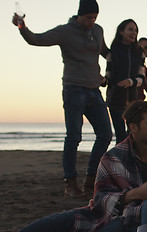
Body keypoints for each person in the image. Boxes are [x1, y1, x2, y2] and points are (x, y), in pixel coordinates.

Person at [1, 101, 147, 232]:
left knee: (121, 225)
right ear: (134, 127)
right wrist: (133, 194)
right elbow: (100, 199)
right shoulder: (114, 157)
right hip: (108, 213)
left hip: (135, 219)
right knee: (61, 220)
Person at [11, 0, 112, 198]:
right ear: (79, 15)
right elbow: (36, 39)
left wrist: (108, 74)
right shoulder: (65, 31)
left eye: (95, 17)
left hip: (94, 91)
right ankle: (70, 184)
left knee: (106, 135)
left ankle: (91, 180)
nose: (92, 21)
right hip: (74, 90)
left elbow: (106, 52)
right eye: (88, 17)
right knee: (74, 136)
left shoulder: (98, 30)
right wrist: (22, 27)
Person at [106, 19, 146, 145]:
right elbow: (109, 73)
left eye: (135, 30)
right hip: (115, 99)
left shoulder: (139, 52)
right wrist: (104, 80)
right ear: (121, 31)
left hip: (133, 101)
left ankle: (131, 162)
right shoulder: (113, 51)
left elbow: (142, 77)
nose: (134, 33)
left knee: (132, 135)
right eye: (130, 29)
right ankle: (120, 163)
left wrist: (131, 81)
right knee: (120, 136)